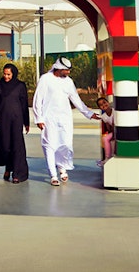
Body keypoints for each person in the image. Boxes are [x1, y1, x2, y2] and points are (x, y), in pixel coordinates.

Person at [32, 58, 100, 186]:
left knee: (65, 144)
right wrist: (39, 118)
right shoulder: (45, 79)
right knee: (50, 145)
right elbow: (37, 99)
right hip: (48, 119)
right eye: (66, 70)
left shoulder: (69, 82)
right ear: (58, 68)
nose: (68, 72)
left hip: (65, 119)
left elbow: (76, 99)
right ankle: (53, 175)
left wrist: (89, 114)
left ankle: (62, 168)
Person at [0, 62, 30, 183]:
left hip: (17, 120)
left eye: (8, 74)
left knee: (17, 146)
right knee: (5, 146)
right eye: (5, 74)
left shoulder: (20, 86)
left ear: (13, 74)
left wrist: (26, 122)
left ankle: (17, 174)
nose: (6, 76)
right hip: (2, 120)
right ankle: (8, 167)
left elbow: (24, 105)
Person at [96, 97, 116, 166]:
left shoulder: (115, 111)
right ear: (100, 108)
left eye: (104, 102)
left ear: (108, 102)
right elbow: (109, 128)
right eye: (101, 105)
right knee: (105, 138)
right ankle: (108, 157)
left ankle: (109, 156)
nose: (104, 105)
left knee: (108, 138)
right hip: (113, 132)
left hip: (119, 131)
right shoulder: (104, 116)